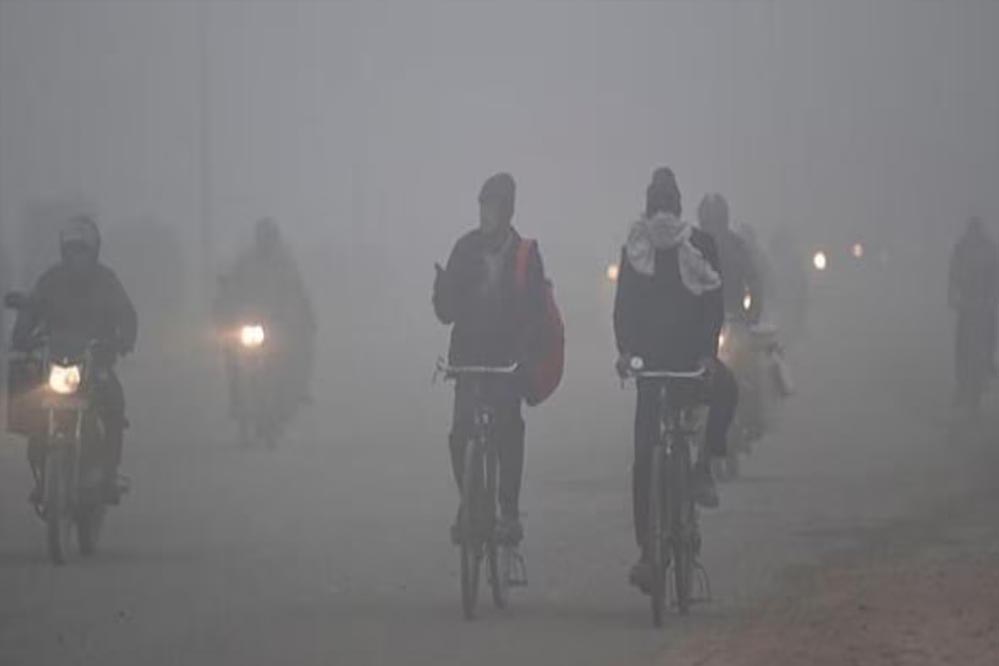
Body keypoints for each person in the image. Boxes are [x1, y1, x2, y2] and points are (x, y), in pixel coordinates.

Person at [613, 167, 738, 591]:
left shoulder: (700, 246)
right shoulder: (636, 247)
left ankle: (703, 467)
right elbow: (624, 307)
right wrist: (626, 351)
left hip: (689, 364)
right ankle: (649, 553)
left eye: (668, 205)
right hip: (650, 370)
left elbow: (713, 305)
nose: (663, 214)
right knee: (644, 460)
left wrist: (707, 354)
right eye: (658, 206)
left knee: (727, 389)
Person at [432, 173, 547, 546]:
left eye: (493, 207)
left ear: (507, 210)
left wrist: (526, 354)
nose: (485, 214)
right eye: (482, 206)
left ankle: (508, 511)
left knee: (508, 430)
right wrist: (441, 290)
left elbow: (536, 312)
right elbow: (446, 313)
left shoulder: (524, 254)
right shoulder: (464, 249)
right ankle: (472, 503)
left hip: (507, 362)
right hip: (468, 359)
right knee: (459, 435)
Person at [11, 215, 137, 503]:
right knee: (31, 402)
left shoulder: (106, 281)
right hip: (57, 363)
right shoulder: (51, 280)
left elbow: (127, 314)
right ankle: (42, 474)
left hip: (95, 363)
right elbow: (31, 309)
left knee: (114, 402)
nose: (77, 257)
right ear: (63, 252)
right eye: (72, 250)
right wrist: (21, 336)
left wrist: (123, 340)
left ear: (94, 252)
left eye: (82, 250)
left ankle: (108, 475)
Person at [215, 218, 316, 434]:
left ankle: (296, 389)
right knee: (232, 355)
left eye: (269, 238)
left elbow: (297, 291)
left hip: (277, 325)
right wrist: (225, 309)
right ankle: (236, 399)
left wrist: (304, 316)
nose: (266, 242)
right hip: (250, 322)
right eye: (263, 237)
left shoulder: (284, 264)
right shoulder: (246, 262)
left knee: (296, 353)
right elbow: (231, 288)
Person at [948, 215, 998, 408]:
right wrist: (953, 295)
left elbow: (995, 275)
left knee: (984, 336)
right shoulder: (971, 247)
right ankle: (975, 371)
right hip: (972, 304)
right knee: (964, 342)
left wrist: (952, 296)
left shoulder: (979, 248)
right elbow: (954, 273)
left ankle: (986, 364)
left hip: (979, 304)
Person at [698, 194, 763, 324]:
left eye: (717, 222)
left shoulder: (738, 247)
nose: (713, 228)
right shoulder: (692, 247)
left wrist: (752, 314)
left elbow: (753, 280)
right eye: (708, 223)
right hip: (699, 321)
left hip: (734, 319)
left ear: (725, 221)